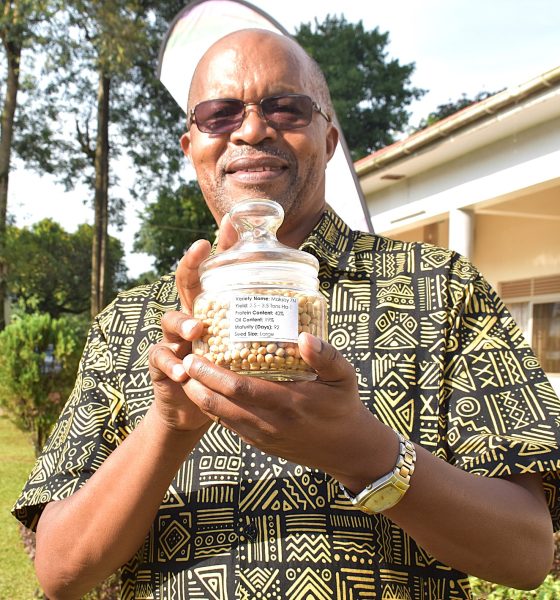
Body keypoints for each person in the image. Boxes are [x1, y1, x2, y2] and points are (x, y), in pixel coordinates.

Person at [13, 28, 560, 600]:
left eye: (285, 108)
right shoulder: (130, 321)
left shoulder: (440, 288)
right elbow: (60, 572)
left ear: (329, 139)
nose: (251, 130)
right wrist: (168, 427)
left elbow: (526, 554)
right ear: (191, 147)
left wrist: (363, 453)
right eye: (220, 114)